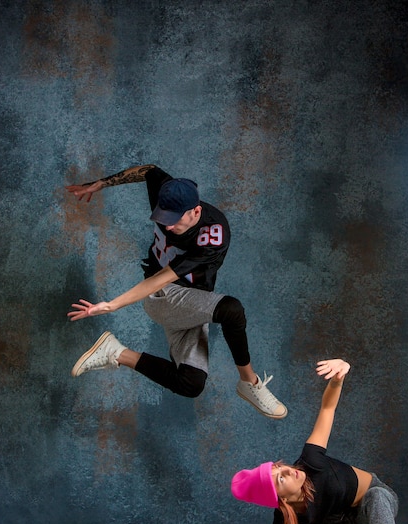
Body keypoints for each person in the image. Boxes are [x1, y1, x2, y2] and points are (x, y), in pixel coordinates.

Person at [66, 164, 287, 419]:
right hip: (163, 296)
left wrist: (112, 304)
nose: (168, 227)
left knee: (191, 383)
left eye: (174, 221)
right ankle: (249, 381)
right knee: (231, 310)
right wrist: (101, 183)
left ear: (196, 211)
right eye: (164, 219)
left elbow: (165, 276)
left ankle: (116, 352)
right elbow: (147, 170)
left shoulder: (211, 235)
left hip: (188, 300)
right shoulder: (168, 191)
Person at [231, 358, 402, 524]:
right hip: (336, 519)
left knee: (377, 498)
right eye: (281, 478)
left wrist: (338, 378)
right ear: (282, 501)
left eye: (281, 467)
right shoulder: (284, 517)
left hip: (371, 498)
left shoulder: (310, 463)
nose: (289, 471)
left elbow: (327, 410)